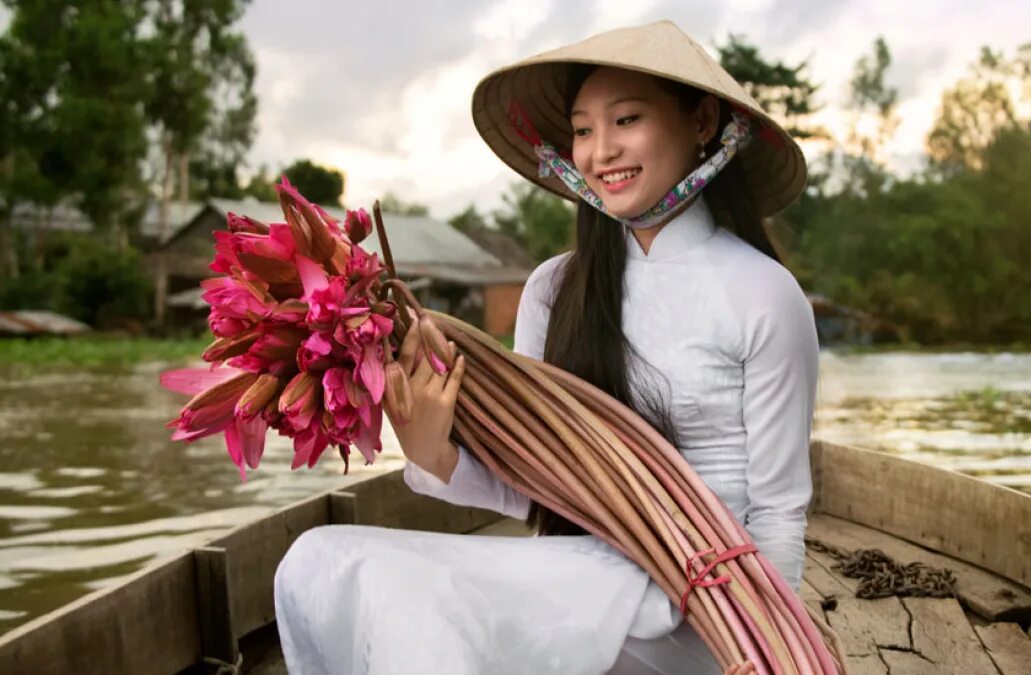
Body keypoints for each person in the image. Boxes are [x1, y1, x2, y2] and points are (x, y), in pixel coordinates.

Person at [274, 20, 818, 675]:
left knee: (430, 608)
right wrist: (432, 452)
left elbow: (781, 511)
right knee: (321, 561)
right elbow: (536, 490)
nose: (600, 151)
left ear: (702, 120)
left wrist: (770, 650)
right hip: (583, 576)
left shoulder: (765, 293)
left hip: (707, 611)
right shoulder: (554, 289)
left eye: (627, 119)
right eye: (583, 130)